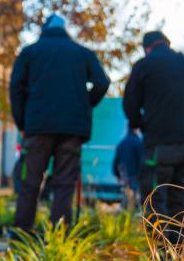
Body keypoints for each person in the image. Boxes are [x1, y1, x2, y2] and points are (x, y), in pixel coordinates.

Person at [9, 14, 110, 232]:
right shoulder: (82, 54)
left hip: (37, 127)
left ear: (44, 29)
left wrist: (22, 123)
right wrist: (83, 105)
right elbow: (102, 82)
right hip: (71, 130)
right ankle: (59, 238)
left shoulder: (30, 53)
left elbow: (15, 88)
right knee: (65, 185)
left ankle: (21, 236)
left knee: (30, 184)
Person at [123, 31, 184, 240]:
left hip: (161, 145)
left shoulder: (144, 65)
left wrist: (139, 124)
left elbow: (129, 104)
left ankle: (161, 258)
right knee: (179, 202)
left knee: (155, 201)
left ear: (147, 48)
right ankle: (179, 257)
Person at [112, 127, 143, 210]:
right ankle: (136, 214)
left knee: (127, 195)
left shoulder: (122, 143)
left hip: (125, 175)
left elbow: (116, 161)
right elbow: (142, 160)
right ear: (136, 130)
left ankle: (125, 214)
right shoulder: (139, 143)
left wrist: (117, 174)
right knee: (137, 197)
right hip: (136, 175)